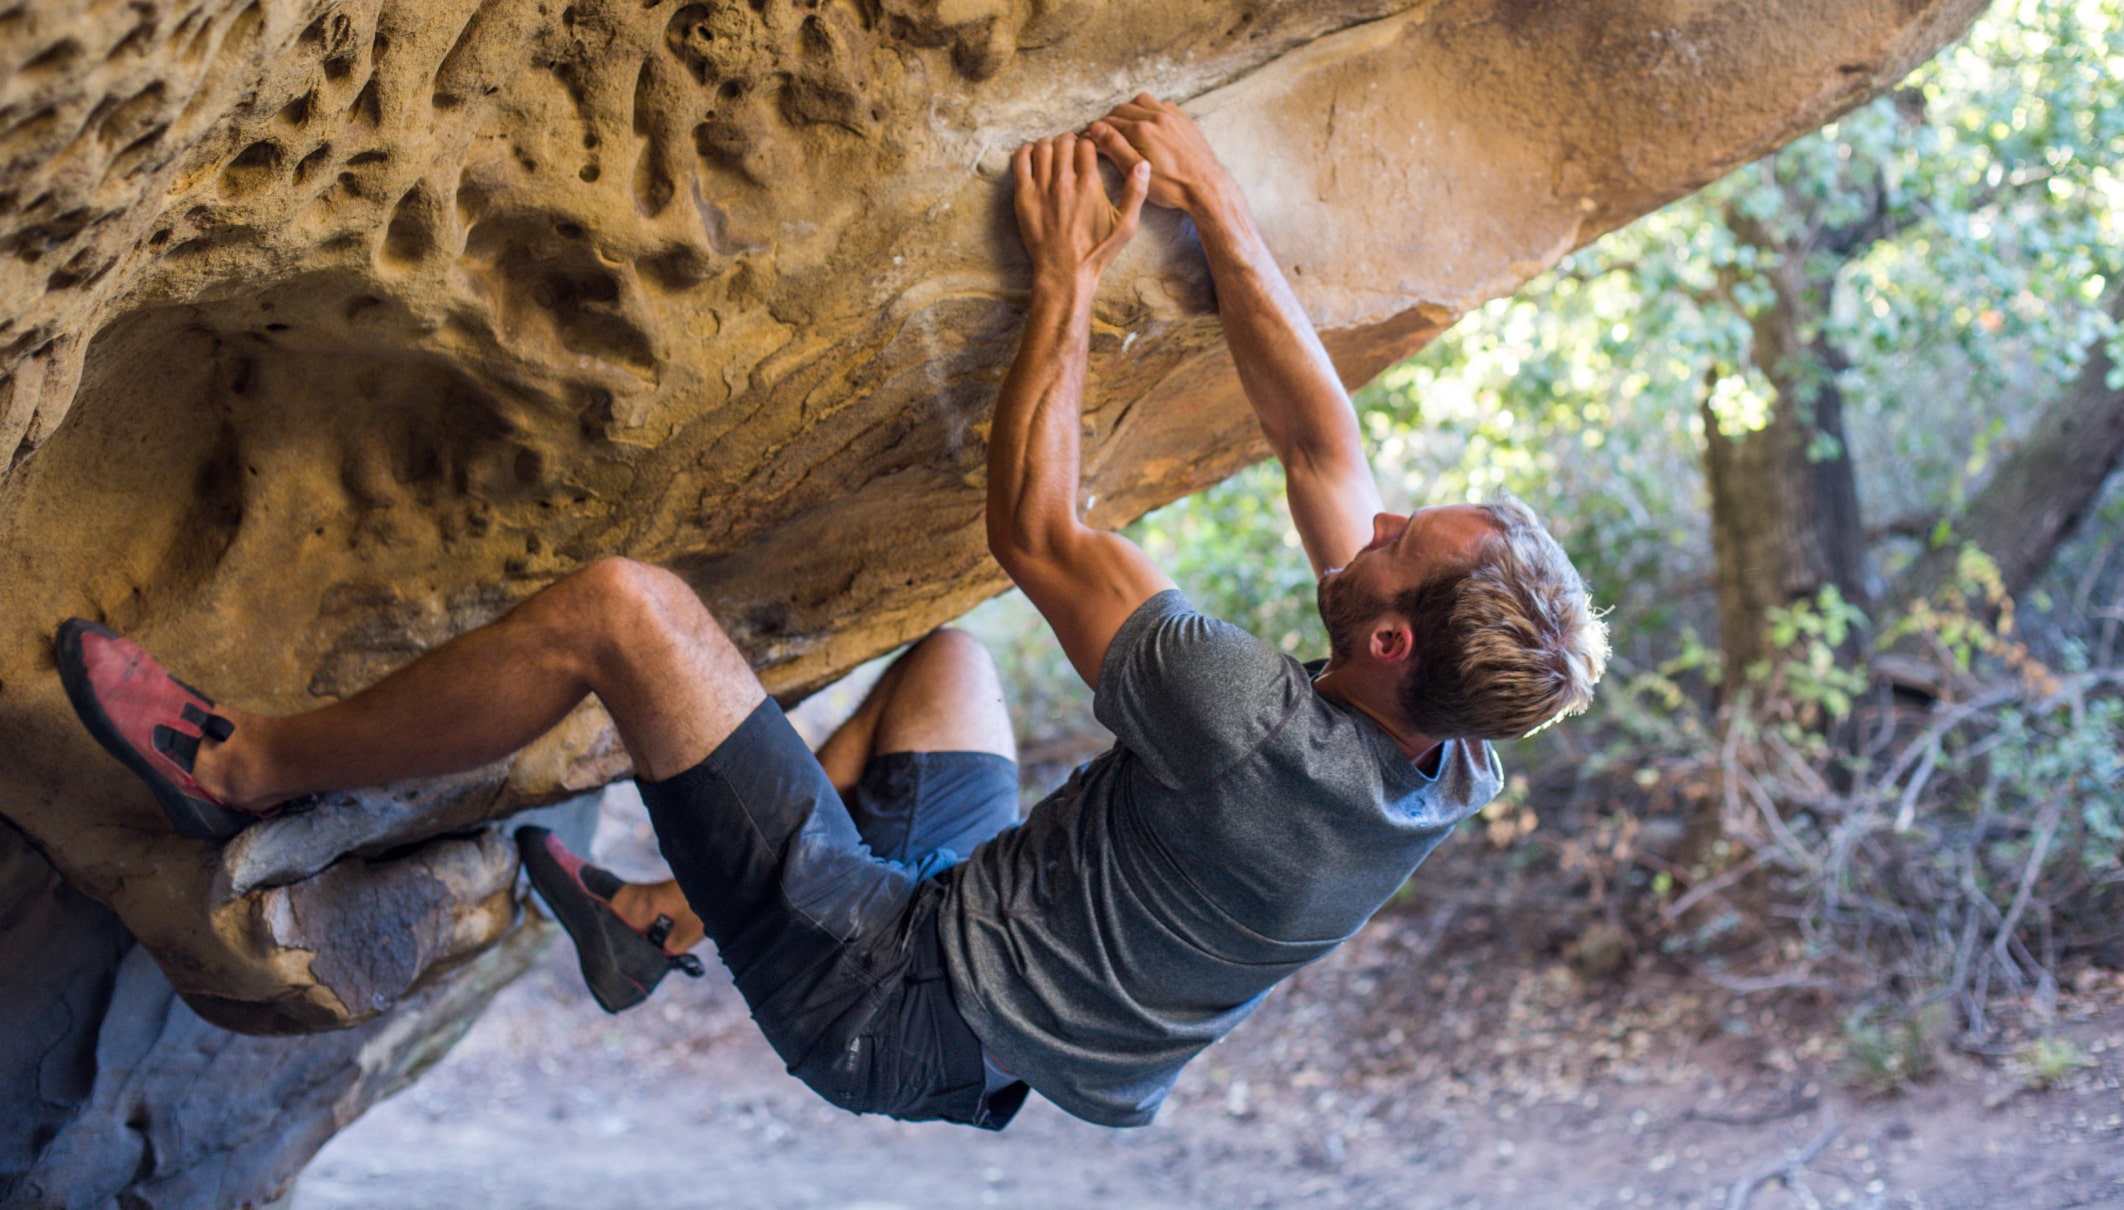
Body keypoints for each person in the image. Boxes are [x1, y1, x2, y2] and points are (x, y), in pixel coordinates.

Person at [55, 95, 1607, 1131]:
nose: (1385, 516)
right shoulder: (1453, 747)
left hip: (892, 999)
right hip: (995, 981)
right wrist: (1214, 202)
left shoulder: (1251, 725)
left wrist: (1063, 273)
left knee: (625, 610)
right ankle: (659, 919)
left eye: (1401, 546)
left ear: (1387, 639)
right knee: (947, 666)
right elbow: (1323, 446)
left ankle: (245, 764)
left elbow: (1036, 526)